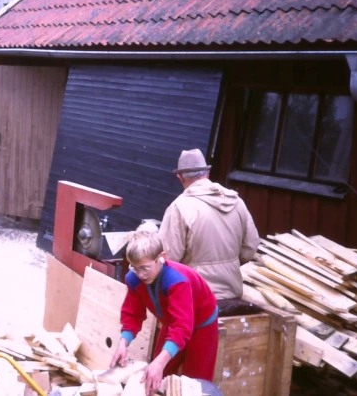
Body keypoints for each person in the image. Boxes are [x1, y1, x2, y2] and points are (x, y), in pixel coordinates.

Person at [110, 231, 219, 396]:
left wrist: (159, 362)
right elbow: (133, 315)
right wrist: (123, 343)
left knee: (194, 383)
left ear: (161, 257)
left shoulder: (177, 281)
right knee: (156, 374)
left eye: (145, 268)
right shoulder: (134, 279)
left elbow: (182, 327)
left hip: (201, 325)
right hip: (172, 322)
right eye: (135, 267)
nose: (140, 274)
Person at [158, 148, 260, 300]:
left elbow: (168, 258)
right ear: (207, 174)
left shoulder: (179, 208)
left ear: (180, 177)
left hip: (196, 296)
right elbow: (250, 249)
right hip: (233, 292)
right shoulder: (237, 202)